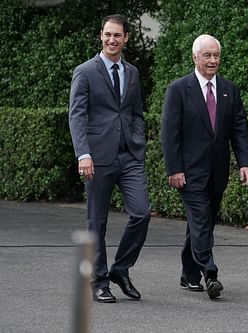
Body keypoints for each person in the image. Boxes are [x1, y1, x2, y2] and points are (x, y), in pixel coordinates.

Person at [161, 34, 248, 299]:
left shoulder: (229, 89)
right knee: (201, 221)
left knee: (202, 224)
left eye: (216, 56)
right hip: (189, 173)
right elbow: (170, 134)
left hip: (217, 172)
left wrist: (244, 162)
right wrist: (173, 169)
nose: (212, 60)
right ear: (195, 57)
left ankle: (188, 274)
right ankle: (210, 274)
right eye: (207, 55)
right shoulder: (178, 89)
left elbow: (239, 129)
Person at [69, 14, 150, 303]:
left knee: (141, 213)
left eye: (117, 35)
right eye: (107, 35)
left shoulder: (132, 72)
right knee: (97, 222)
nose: (112, 40)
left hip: (129, 156)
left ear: (126, 37)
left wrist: (138, 140)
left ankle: (120, 269)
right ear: (101, 36)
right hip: (96, 157)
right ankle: (99, 280)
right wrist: (83, 153)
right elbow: (76, 115)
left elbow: (135, 113)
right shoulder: (85, 71)